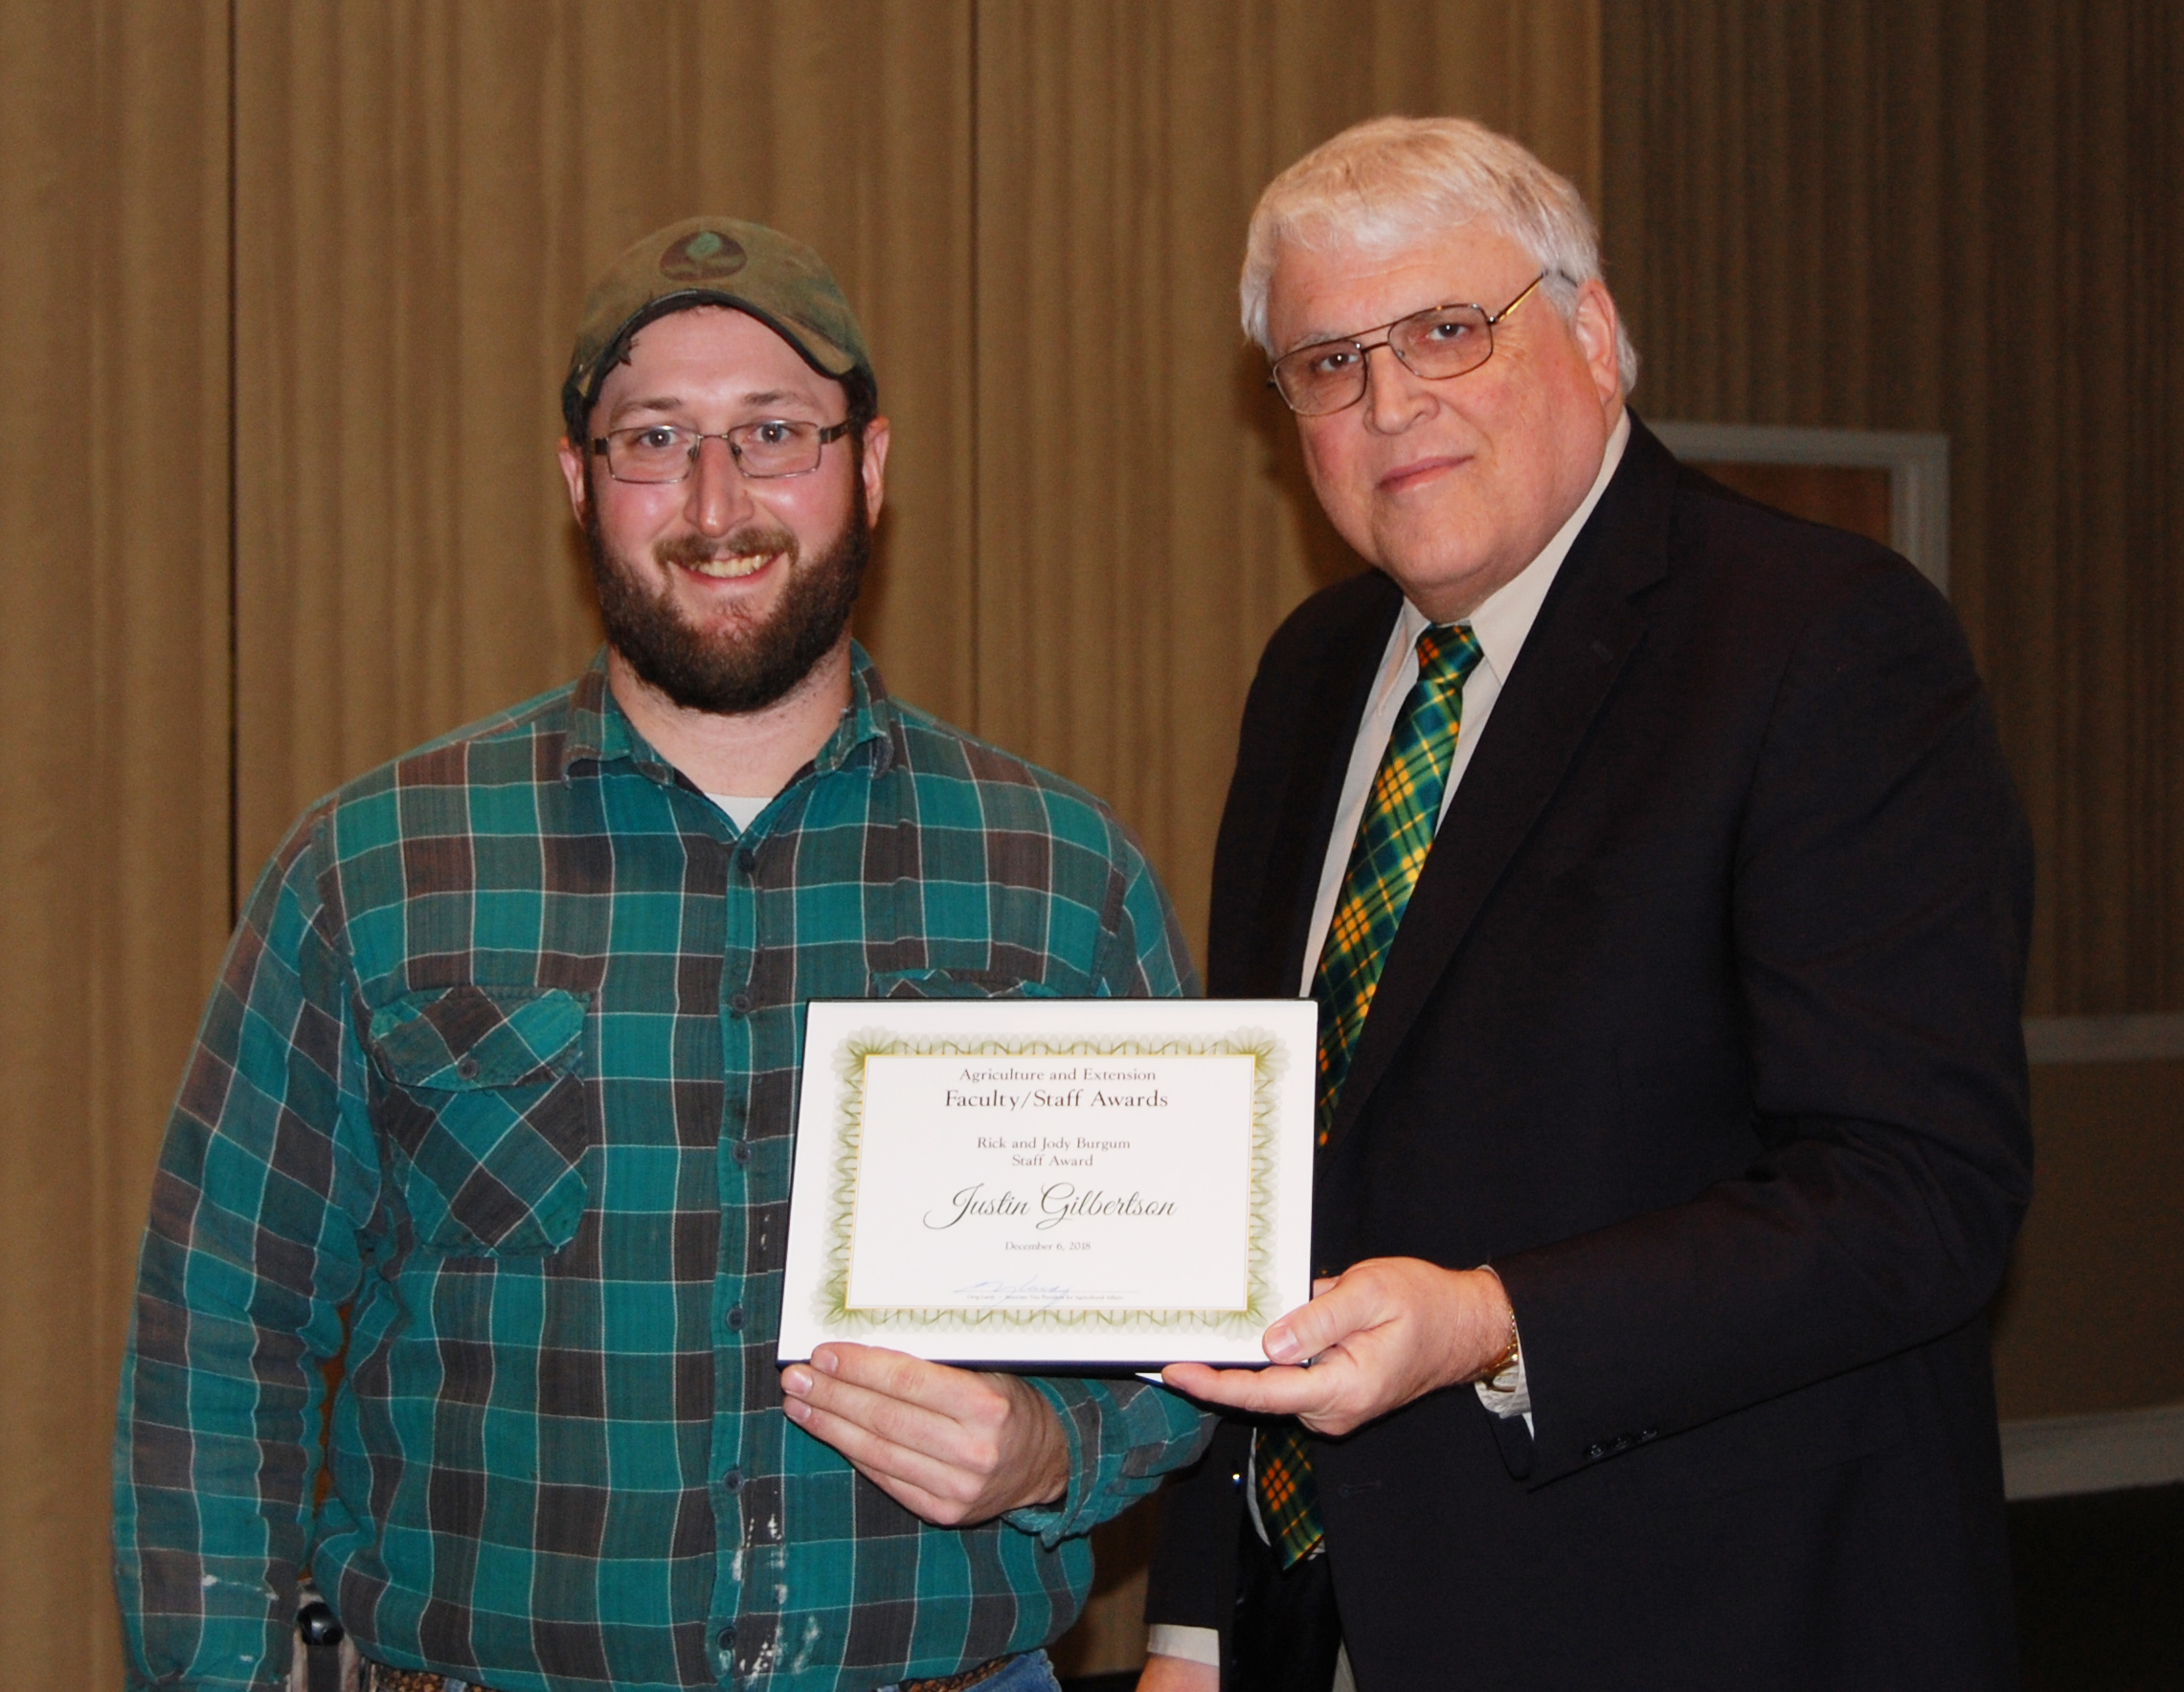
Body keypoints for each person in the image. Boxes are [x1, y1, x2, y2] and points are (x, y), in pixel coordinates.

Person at [113, 216, 1209, 1692]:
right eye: (652, 440)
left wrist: (1049, 1448)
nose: (715, 499)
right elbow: (215, 1337)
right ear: (579, 485)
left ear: (868, 467)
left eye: (773, 433)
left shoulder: (1055, 877)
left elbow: (1192, 1338)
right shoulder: (375, 872)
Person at [1137, 117, 2033, 1691]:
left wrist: (1494, 1322)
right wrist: (1198, 1621)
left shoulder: (1820, 641)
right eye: (1325, 362)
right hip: (1332, 1623)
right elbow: (1271, 1171)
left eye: (1442, 330)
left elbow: (1917, 1194)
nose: (1388, 399)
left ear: (1595, 333)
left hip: (1712, 1615)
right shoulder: (1310, 677)